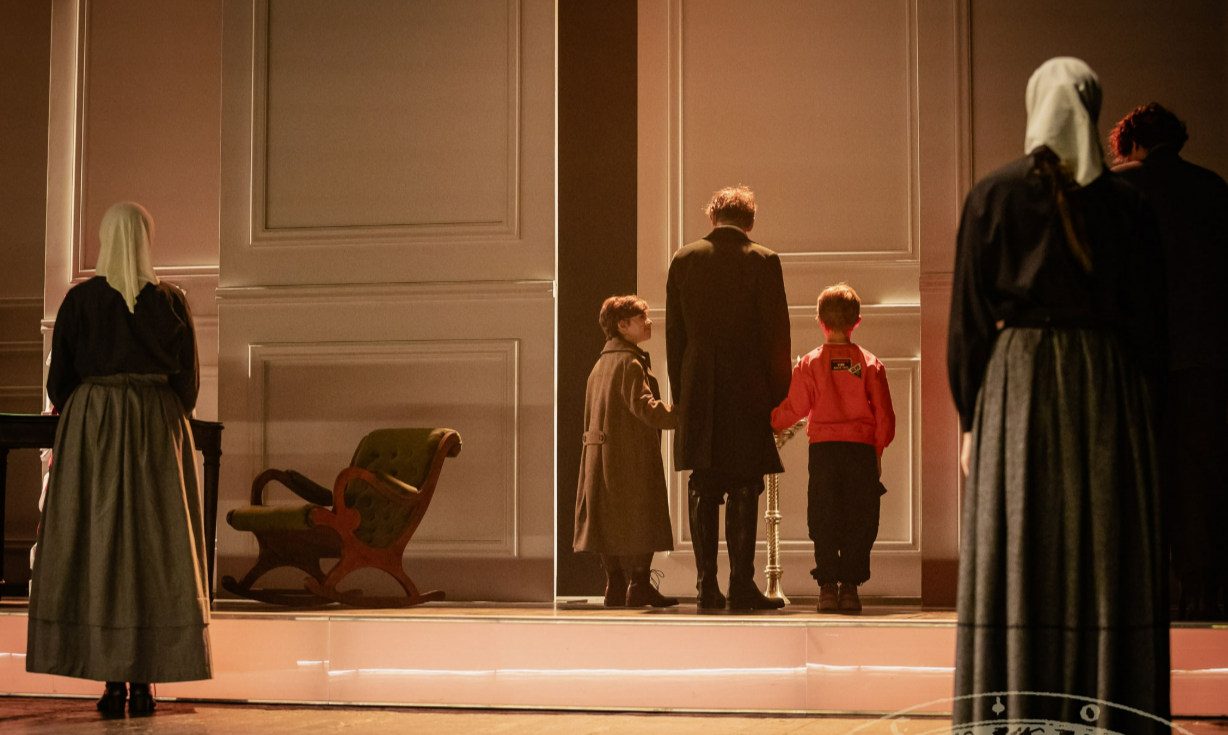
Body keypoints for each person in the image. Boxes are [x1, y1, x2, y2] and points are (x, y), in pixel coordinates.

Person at [947, 58, 1169, 730]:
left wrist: (971, 416)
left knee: (1019, 540)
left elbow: (969, 320)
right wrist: (1147, 414)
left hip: (1016, 386)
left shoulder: (991, 195)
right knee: (1103, 545)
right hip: (1104, 385)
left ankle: (1015, 706)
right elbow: (1151, 324)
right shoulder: (1128, 205)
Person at [27, 202, 212, 716]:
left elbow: (59, 381)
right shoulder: (170, 301)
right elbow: (188, 384)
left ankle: (111, 684)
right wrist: (158, 412)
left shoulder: (80, 301)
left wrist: (92, 409)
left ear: (105, 239)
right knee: (155, 548)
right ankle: (144, 685)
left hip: (95, 428)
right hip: (156, 427)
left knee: (99, 546)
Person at [1110, 103, 1228, 621]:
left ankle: (1143, 589)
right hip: (1206, 355)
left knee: (1138, 474)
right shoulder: (1213, 189)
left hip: (1136, 359)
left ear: (1131, 142)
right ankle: (1201, 586)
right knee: (1201, 471)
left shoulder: (1116, 188)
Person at [666, 185, 792, 611]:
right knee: (744, 484)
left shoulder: (684, 258)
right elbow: (776, 334)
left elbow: (674, 335)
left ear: (712, 217)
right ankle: (742, 585)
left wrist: (682, 392)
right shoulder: (763, 260)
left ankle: (706, 585)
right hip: (748, 384)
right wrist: (778, 395)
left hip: (698, 382)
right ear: (750, 221)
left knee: (702, 482)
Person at [770, 284, 894, 614]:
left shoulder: (810, 363)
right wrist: (878, 450)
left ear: (821, 322)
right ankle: (850, 588)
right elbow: (885, 415)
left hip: (824, 451)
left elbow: (795, 407)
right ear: (857, 322)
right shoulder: (871, 364)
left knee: (823, 515)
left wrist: (770, 420)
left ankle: (827, 588)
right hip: (861, 451)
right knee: (859, 517)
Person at [574, 295, 679, 608]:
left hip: (600, 458)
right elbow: (644, 407)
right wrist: (682, 415)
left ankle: (615, 585)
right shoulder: (630, 363)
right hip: (629, 458)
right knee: (645, 516)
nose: (649, 322)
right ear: (622, 325)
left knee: (605, 520)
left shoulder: (600, 365)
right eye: (641, 318)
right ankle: (639, 585)